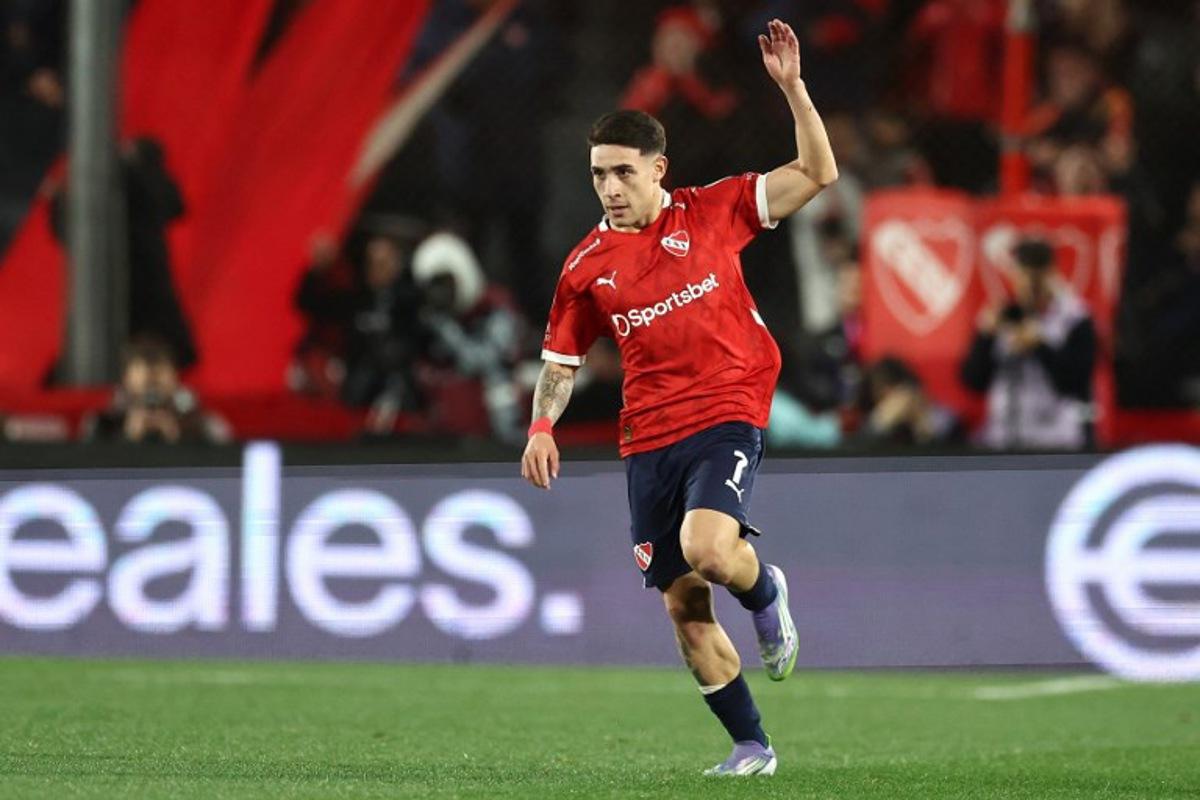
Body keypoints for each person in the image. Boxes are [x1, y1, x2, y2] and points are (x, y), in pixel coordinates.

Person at [521, 19, 838, 776]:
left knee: (706, 547)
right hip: (648, 438)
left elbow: (818, 172)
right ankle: (752, 746)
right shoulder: (586, 267)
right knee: (684, 606)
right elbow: (561, 362)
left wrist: (793, 89)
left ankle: (765, 594)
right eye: (599, 174)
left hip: (728, 409)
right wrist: (541, 424)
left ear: (659, 168)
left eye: (623, 173)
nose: (609, 188)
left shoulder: (715, 211)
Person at [960, 238, 1097, 450]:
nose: (1029, 286)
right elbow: (973, 381)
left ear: (1050, 274)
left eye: (1036, 278)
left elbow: (1078, 381)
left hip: (1056, 440)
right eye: (1023, 276)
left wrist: (1040, 347)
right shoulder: (1003, 315)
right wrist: (985, 339)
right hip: (1003, 438)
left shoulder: (1074, 318)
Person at [84, 336, 229, 444]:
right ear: (126, 377)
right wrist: (126, 438)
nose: (152, 374)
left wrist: (179, 440)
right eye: (141, 367)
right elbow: (85, 468)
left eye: (161, 367)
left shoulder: (203, 423)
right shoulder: (103, 424)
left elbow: (223, 469)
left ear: (176, 376)